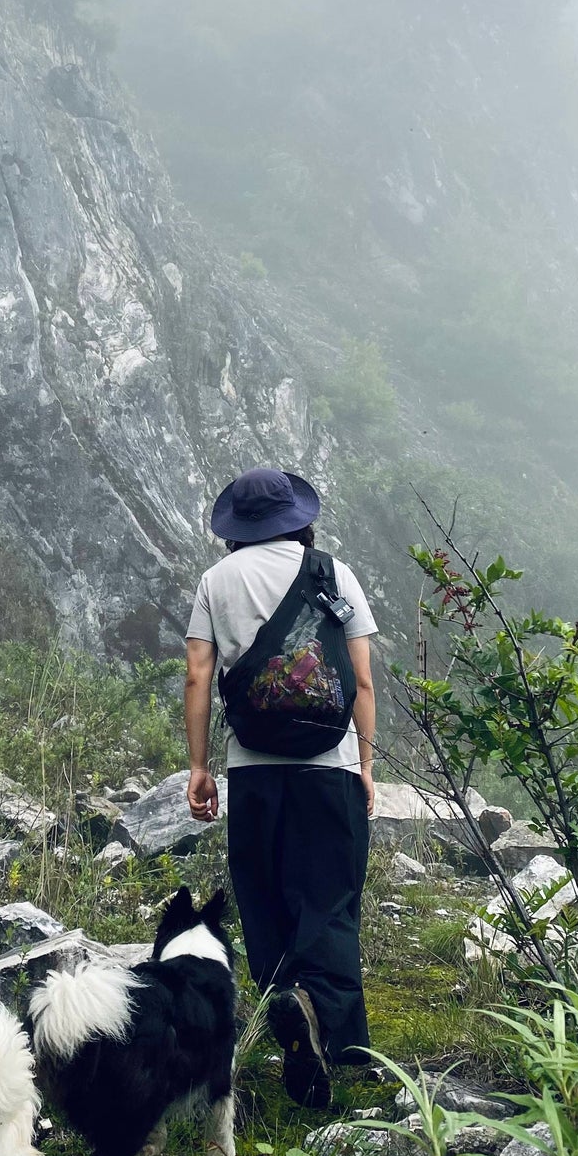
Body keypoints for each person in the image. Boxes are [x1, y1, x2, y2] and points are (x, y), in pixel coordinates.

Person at [184, 465, 378, 1109]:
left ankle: (288, 1008)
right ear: (299, 517)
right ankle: (336, 1035)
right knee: (329, 898)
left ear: (236, 528)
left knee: (265, 897)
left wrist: (199, 768)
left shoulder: (216, 582)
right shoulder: (333, 574)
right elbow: (363, 683)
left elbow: (198, 679)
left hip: (254, 768)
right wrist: (367, 766)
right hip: (330, 767)